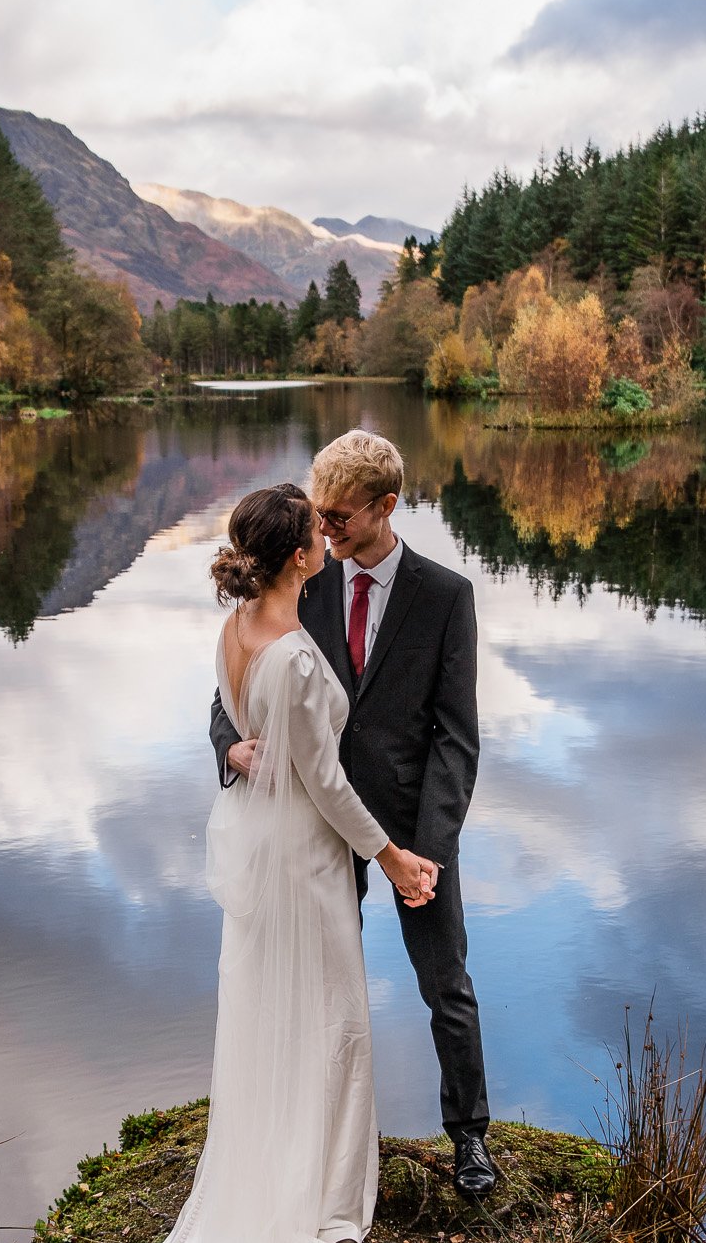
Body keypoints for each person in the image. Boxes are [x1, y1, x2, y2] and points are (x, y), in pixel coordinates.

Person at [24, 483, 442, 1243]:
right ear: (299, 552)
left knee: (271, 1027)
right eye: (317, 527)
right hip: (300, 860)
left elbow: (256, 738)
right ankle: (324, 1209)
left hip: (263, 855)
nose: (328, 533)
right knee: (334, 1026)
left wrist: (254, 756)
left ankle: (292, 1180)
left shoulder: (237, 624)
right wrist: (388, 852)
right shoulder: (297, 652)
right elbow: (327, 778)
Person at [209, 429, 497, 1198]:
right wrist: (229, 747)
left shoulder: (445, 596)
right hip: (315, 823)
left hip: (408, 826)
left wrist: (426, 850)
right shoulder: (305, 582)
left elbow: (457, 737)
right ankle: (321, 1141)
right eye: (320, 518)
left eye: (339, 516)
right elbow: (235, 694)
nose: (325, 528)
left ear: (386, 506)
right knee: (318, 984)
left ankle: (469, 1136)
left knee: (448, 984)